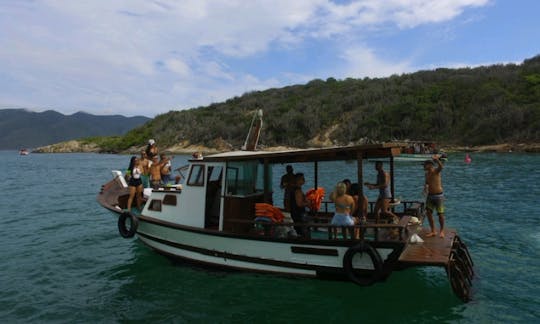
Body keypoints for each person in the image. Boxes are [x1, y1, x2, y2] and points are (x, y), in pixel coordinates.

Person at [423, 156, 446, 238]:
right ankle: (433, 231)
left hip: (438, 196)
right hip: (430, 196)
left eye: (425, 165)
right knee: (428, 213)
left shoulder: (436, 171)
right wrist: (425, 187)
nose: (423, 166)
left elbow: (441, 167)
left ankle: (442, 231)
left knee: (440, 214)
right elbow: (426, 182)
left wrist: (437, 160)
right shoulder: (426, 174)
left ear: (430, 165)